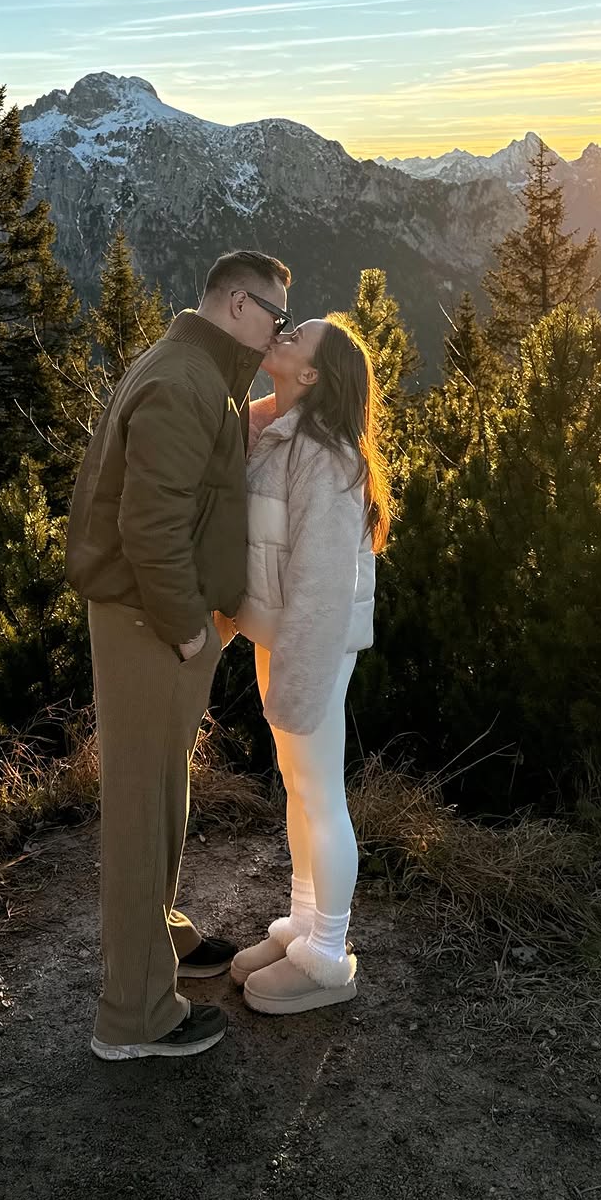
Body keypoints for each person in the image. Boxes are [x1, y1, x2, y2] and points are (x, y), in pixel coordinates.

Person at [65, 248, 292, 1061]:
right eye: (275, 317)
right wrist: (191, 629)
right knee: (140, 805)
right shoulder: (183, 382)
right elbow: (150, 524)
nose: (279, 334)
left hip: (151, 619)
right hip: (149, 624)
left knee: (162, 788)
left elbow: (195, 472)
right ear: (237, 305)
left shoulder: (195, 372)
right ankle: (134, 1016)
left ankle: (158, 934)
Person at [229, 314, 391, 1014]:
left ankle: (328, 955)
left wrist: (297, 679)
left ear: (313, 373)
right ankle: (301, 923)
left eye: (297, 338)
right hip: (282, 637)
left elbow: (323, 588)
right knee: (299, 786)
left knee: (321, 793)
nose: (283, 334)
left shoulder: (325, 456)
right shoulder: (280, 433)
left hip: (312, 644)